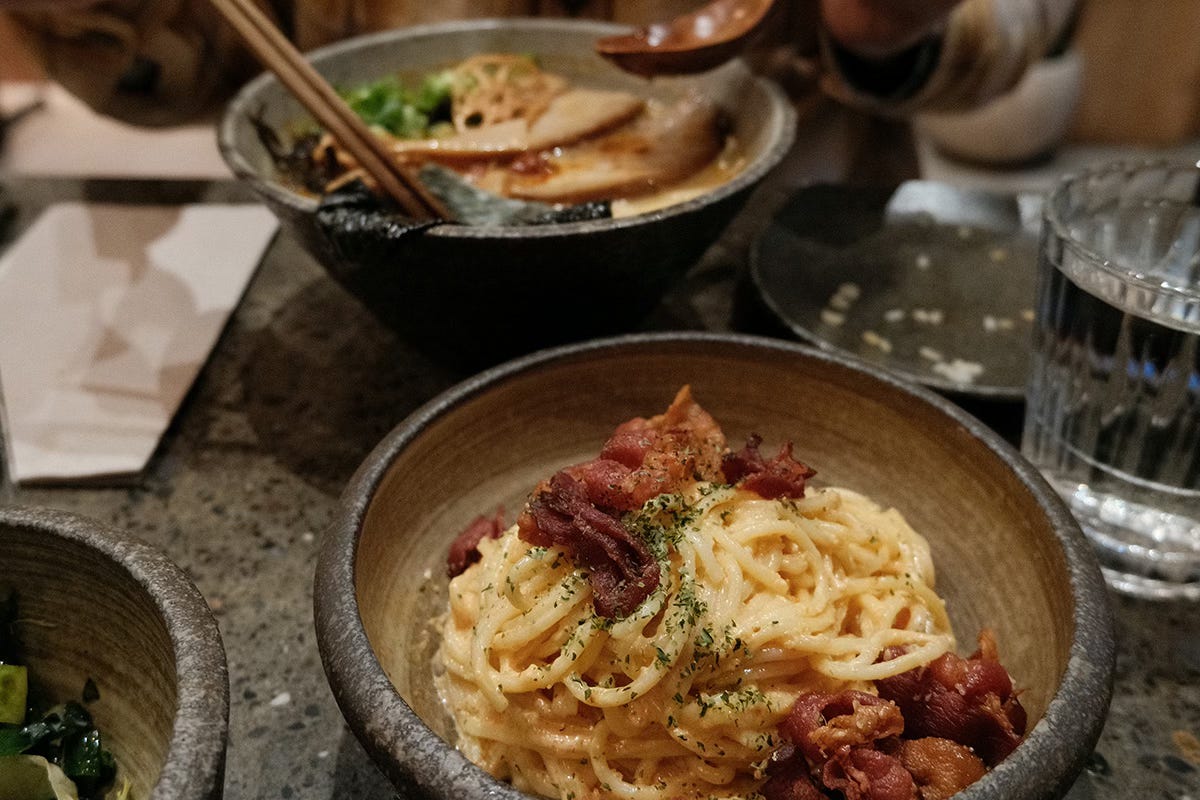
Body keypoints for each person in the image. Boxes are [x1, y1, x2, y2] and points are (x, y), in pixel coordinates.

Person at [0, 0, 1076, 127]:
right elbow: (207, 59)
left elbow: (1022, 22)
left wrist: (893, 28)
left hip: (748, 282)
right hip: (411, 272)